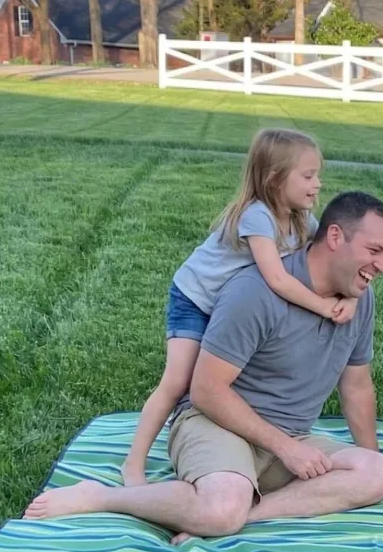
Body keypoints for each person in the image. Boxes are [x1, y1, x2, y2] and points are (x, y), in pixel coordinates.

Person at [24, 191, 383, 543]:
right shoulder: (255, 293)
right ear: (334, 237)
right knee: (222, 508)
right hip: (218, 425)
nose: (381, 266)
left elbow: (356, 388)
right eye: (374, 250)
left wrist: (368, 456)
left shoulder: (359, 301)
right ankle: (102, 497)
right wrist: (285, 448)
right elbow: (206, 391)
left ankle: (242, 515)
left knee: (380, 473)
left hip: (291, 440)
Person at [122, 128, 359, 486]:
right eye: (308, 176)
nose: (318, 184)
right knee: (177, 381)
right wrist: (325, 308)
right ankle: (134, 464)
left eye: (318, 175)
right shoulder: (257, 216)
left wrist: (351, 296)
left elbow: (333, 255)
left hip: (229, 307)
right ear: (274, 178)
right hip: (197, 299)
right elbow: (277, 279)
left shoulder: (301, 219)